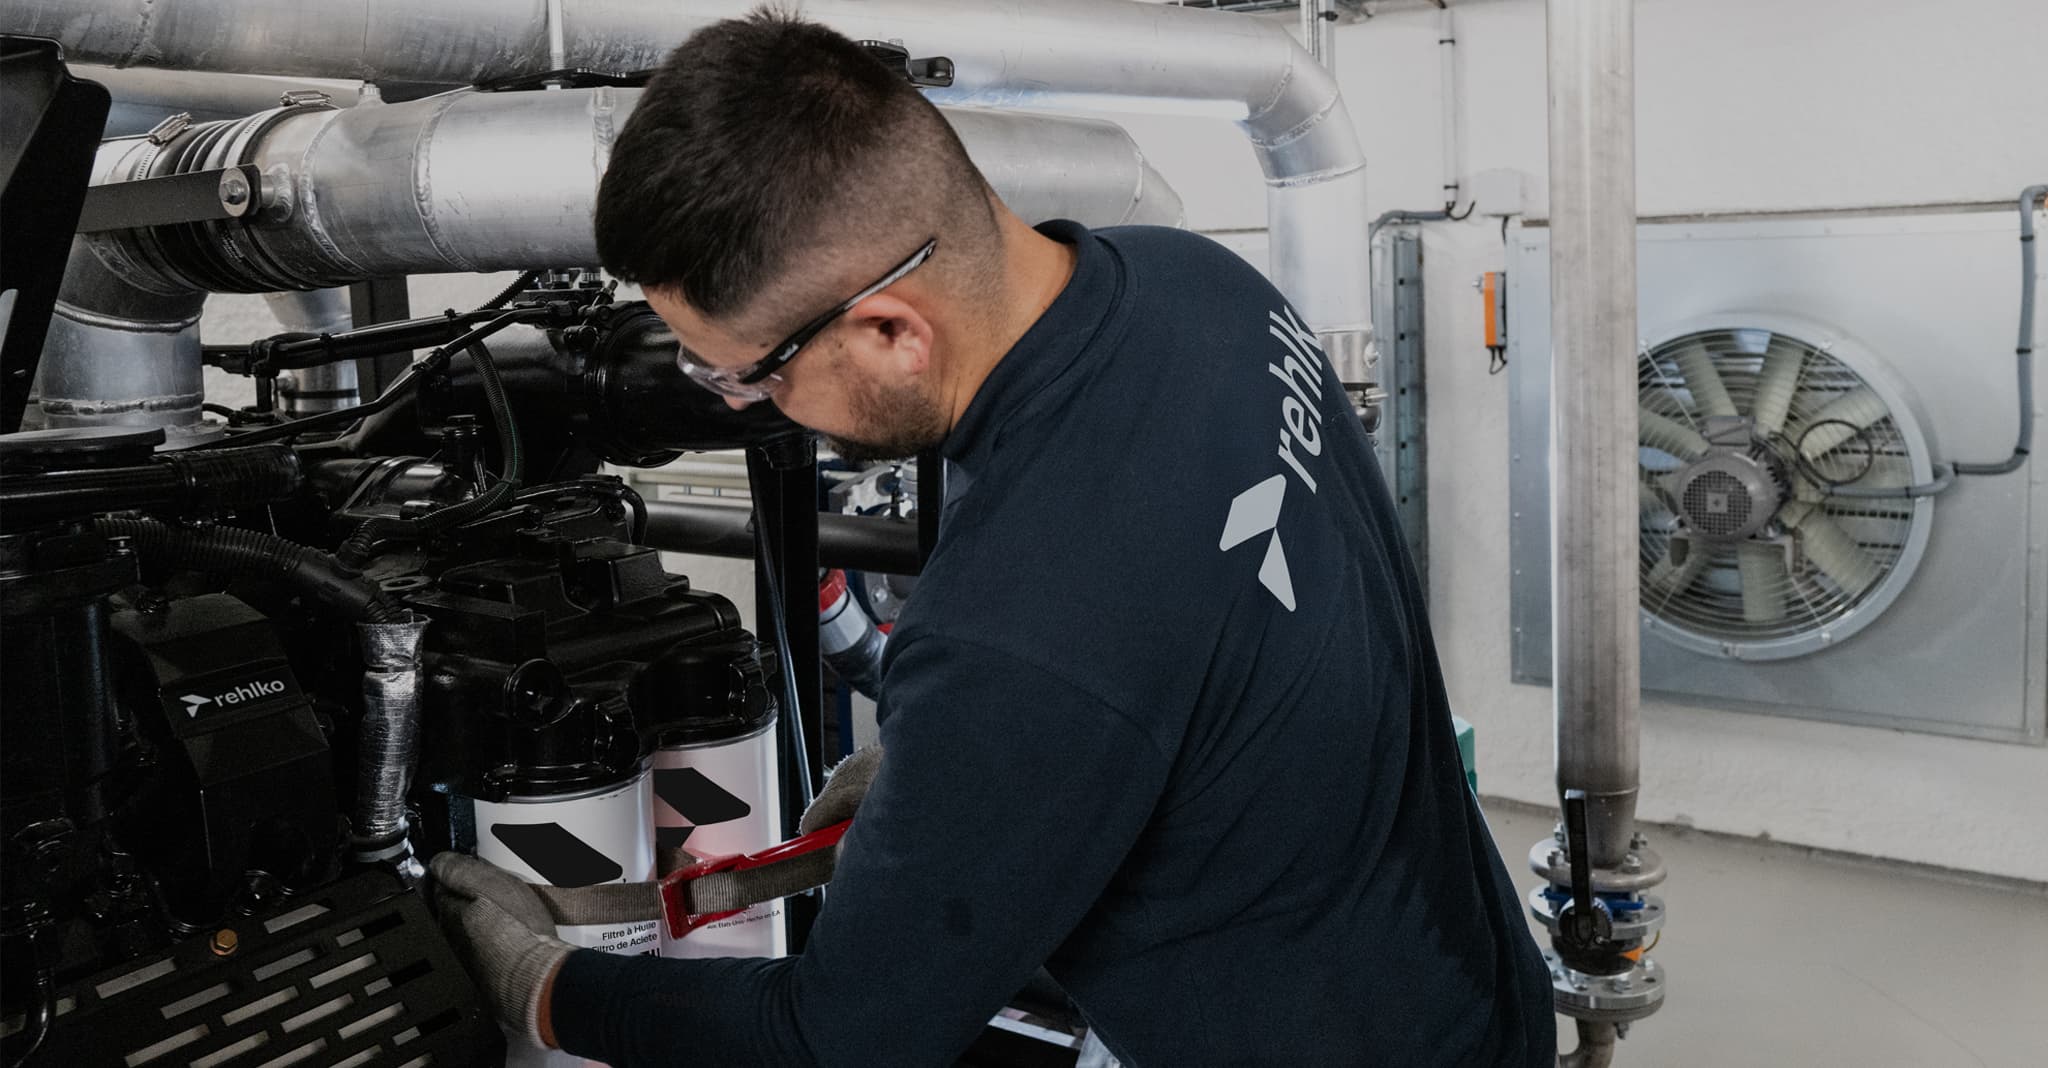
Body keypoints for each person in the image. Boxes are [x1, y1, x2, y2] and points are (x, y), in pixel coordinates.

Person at [431, 10, 1554, 1066]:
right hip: (1464, 986)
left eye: (750, 372)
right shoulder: (1196, 282)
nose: (748, 404)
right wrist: (960, 786)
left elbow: (837, 1041)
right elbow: (1215, 618)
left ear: (887, 331)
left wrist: (539, 983)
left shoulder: (1011, 632)